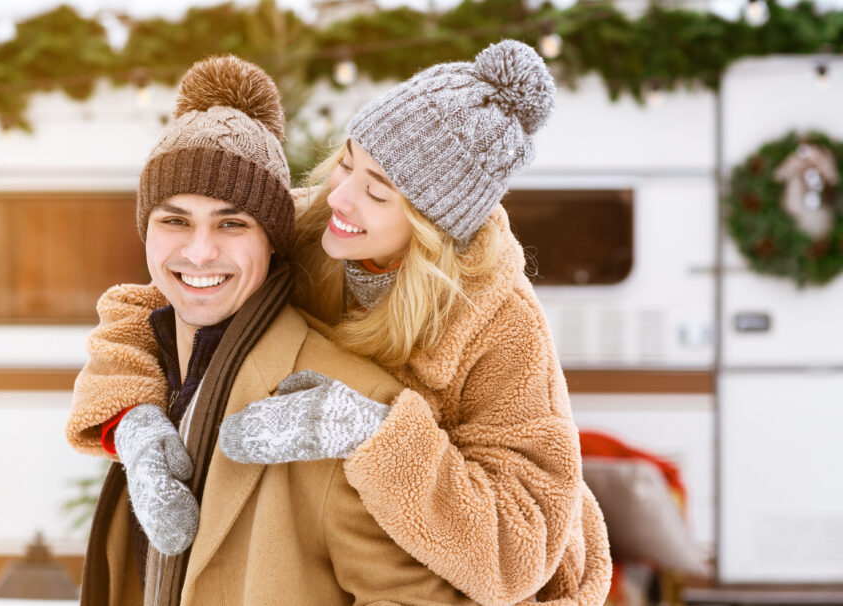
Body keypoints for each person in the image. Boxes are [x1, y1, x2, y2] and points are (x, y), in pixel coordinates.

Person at [73, 40, 613, 605]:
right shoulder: (315, 227)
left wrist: (375, 434)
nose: (340, 196)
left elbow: (516, 551)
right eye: (347, 163)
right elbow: (154, 306)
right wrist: (134, 422)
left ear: (431, 228)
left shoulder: (499, 325)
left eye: (375, 191)